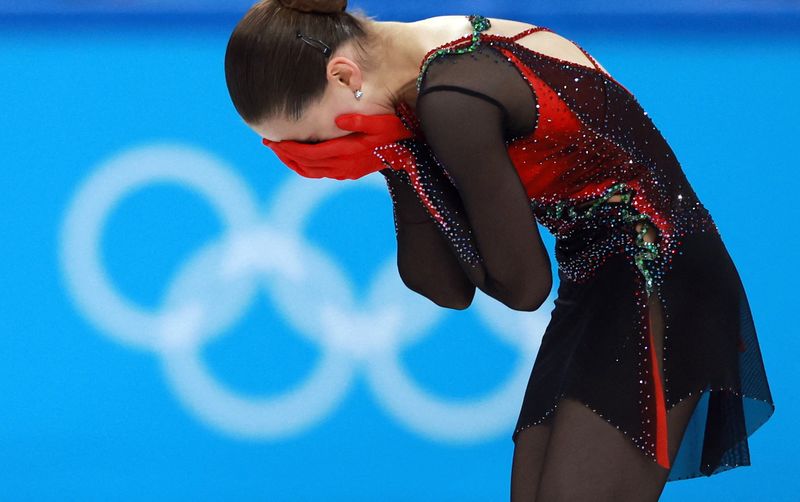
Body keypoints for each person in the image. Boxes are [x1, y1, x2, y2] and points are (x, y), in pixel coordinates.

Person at [224, 1, 776, 500]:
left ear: (344, 76)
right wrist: (394, 158)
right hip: (600, 280)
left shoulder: (452, 95)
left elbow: (523, 286)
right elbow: (444, 287)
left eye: (311, 140)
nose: (313, 158)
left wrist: (406, 156)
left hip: (661, 275)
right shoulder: (411, 76)